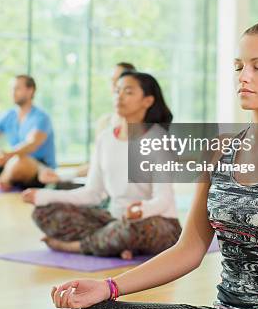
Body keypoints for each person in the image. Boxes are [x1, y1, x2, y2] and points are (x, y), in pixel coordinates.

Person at [51, 20, 258, 309]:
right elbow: (189, 248)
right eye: (239, 67)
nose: (243, 76)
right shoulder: (219, 150)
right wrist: (109, 286)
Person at [22, 71, 181, 260]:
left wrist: (141, 211)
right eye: (117, 91)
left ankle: (77, 246)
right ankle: (114, 244)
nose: (119, 96)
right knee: (44, 212)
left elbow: (163, 200)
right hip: (113, 220)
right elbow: (92, 193)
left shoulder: (159, 140)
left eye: (128, 92)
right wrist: (45, 195)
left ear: (147, 101)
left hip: (156, 223)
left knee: (130, 229)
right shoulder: (105, 138)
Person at [38, 62, 136, 186]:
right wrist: (61, 175)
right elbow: (97, 164)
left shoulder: (147, 127)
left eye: (120, 80)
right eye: (113, 81)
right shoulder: (104, 123)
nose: (115, 86)